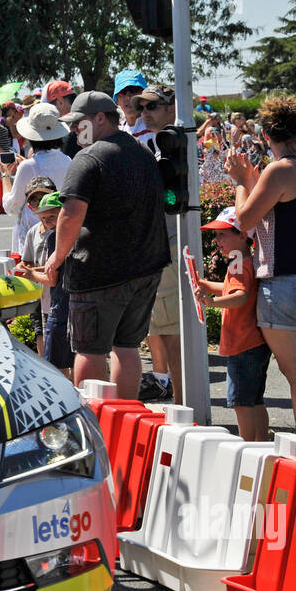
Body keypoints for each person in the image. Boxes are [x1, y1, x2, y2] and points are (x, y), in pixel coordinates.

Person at [44, 91, 170, 399]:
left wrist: (56, 259)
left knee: (89, 350)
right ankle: (123, 418)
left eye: (78, 123)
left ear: (100, 118)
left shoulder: (88, 157)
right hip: (145, 268)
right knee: (126, 347)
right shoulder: (141, 152)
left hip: (100, 272)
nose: (74, 130)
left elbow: (71, 213)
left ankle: (94, 423)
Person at [225, 93, 296, 438]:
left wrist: (240, 182)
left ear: (265, 135)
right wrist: (252, 181)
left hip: (282, 285)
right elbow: (274, 210)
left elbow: (245, 219)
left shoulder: (278, 170)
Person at [195, 207, 270, 441]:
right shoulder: (245, 260)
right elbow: (233, 288)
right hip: (255, 343)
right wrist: (206, 284)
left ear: (242, 236)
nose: (217, 241)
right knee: (254, 400)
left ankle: (247, 447)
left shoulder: (237, 263)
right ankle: (261, 444)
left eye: (223, 234)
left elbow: (240, 295)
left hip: (242, 344)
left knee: (241, 403)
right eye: (216, 235)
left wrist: (212, 301)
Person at [133, 85, 181, 403]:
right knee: (161, 325)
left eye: (153, 106)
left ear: (171, 108)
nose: (145, 113)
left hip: (173, 240)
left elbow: (173, 197)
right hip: (157, 243)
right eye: (143, 108)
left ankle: (184, 403)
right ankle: (178, 395)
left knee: (174, 328)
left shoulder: (176, 141)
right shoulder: (152, 142)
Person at [17, 190, 71, 378]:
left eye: (52, 216)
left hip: (59, 307)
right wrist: (36, 271)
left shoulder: (54, 238)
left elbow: (51, 278)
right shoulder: (76, 232)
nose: (48, 223)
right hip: (78, 305)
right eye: (43, 218)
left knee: (57, 365)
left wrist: (31, 274)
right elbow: (57, 268)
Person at [5, 103, 72, 253]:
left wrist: (5, 176)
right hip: (61, 233)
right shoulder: (68, 160)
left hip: (34, 237)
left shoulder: (28, 166)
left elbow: (12, 206)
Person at [16, 181, 59, 357]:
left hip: (57, 294)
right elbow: (26, 261)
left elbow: (55, 270)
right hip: (40, 293)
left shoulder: (62, 230)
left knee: (61, 343)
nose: (40, 203)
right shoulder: (34, 231)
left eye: (44, 197)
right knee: (40, 331)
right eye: (35, 201)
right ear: (30, 207)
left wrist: (33, 273)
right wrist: (24, 269)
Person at [111, 69, 147, 135]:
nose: (128, 97)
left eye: (134, 90)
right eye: (122, 91)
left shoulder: (157, 129)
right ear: (117, 100)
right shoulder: (113, 132)